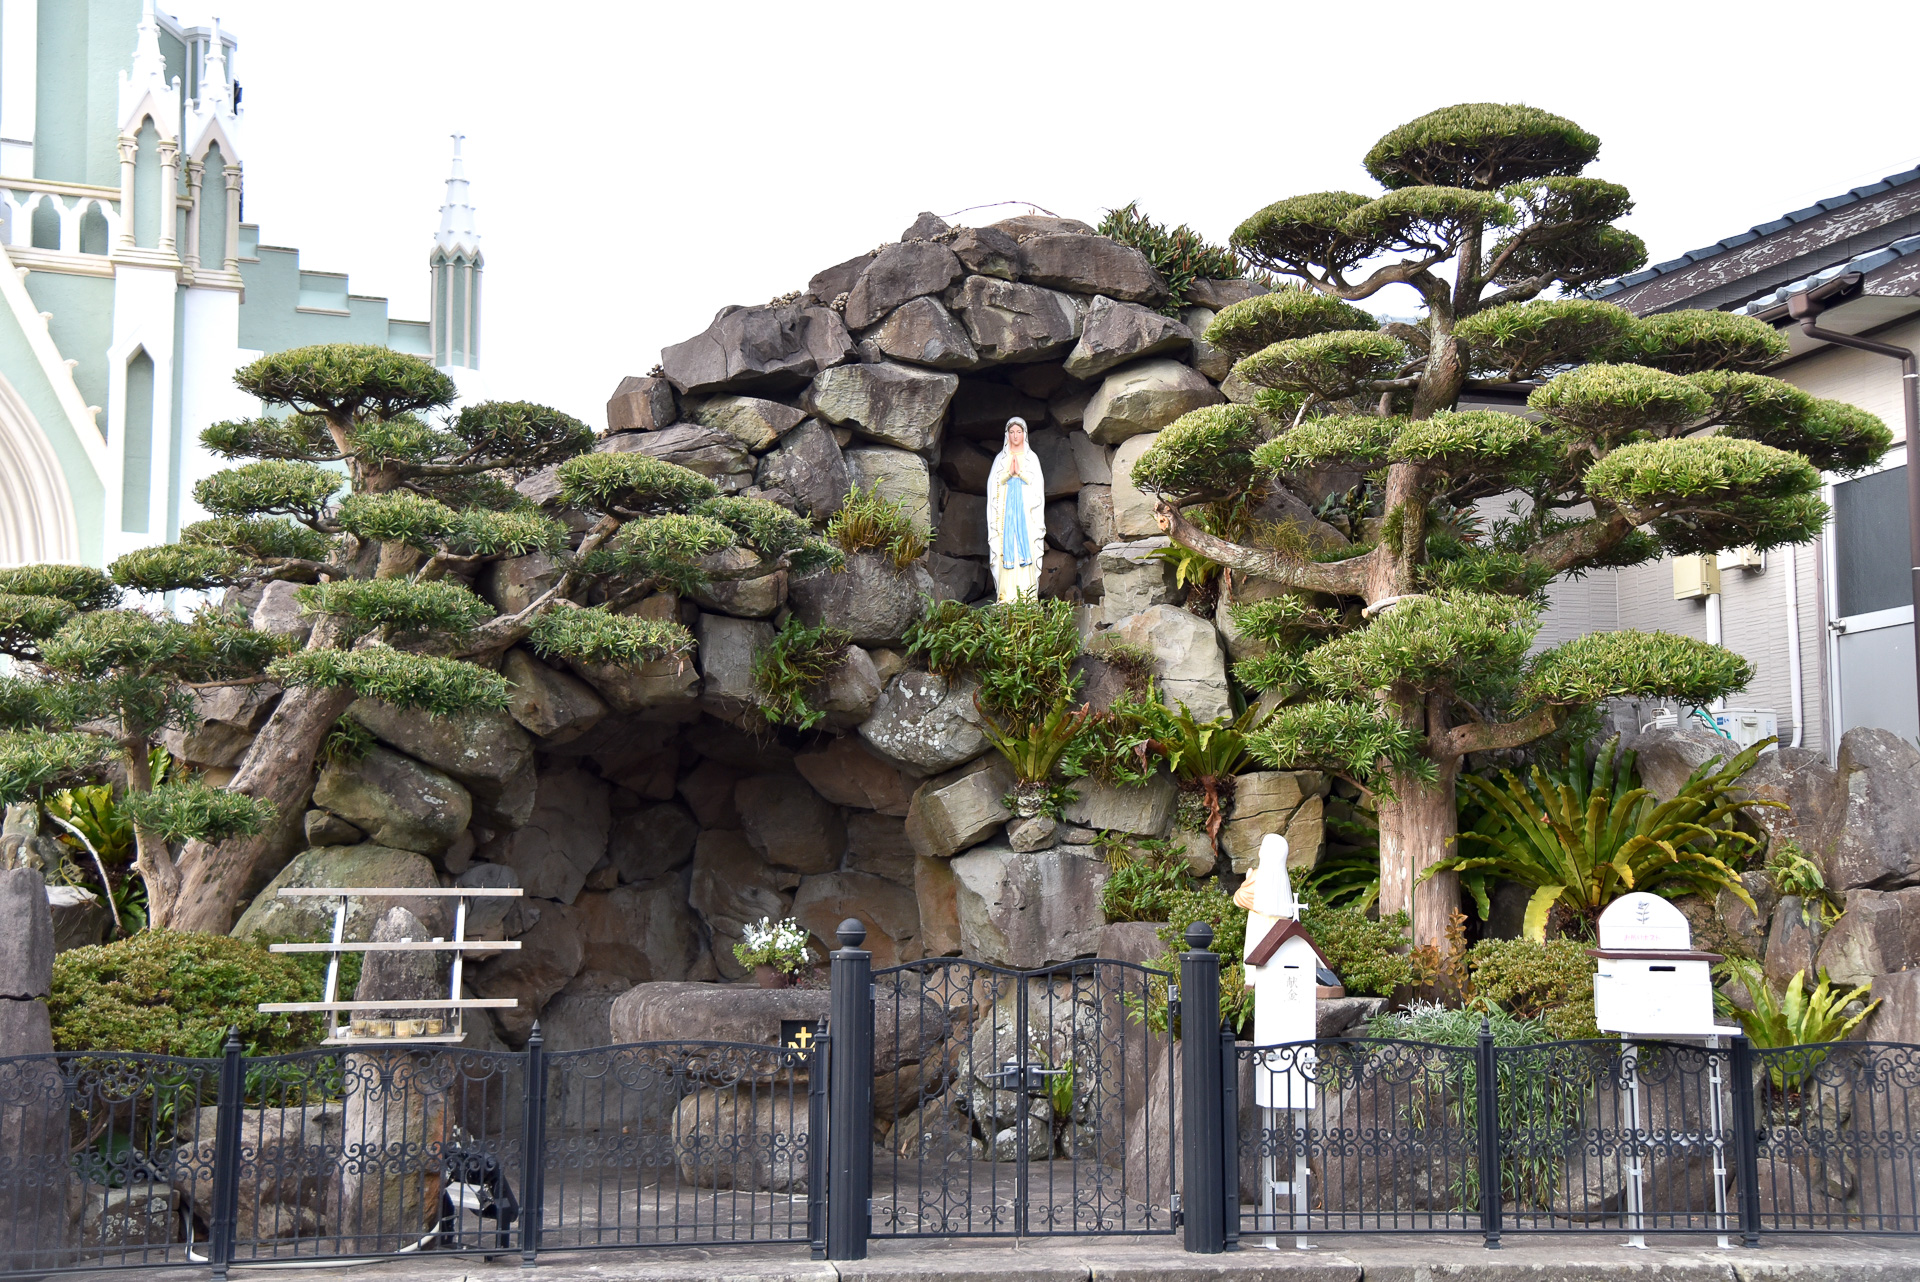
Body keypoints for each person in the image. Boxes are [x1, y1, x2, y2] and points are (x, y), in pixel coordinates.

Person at [985, 416, 1046, 602]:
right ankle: (1006, 596)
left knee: (1025, 547)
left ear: (1024, 434)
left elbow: (1037, 486)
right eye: (1012, 432)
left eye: (1019, 431)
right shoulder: (1000, 459)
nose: (1015, 435)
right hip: (1005, 513)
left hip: (1026, 513)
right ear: (1007, 435)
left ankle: (1027, 598)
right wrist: (1007, 475)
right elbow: (993, 486)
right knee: (1006, 545)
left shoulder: (1031, 458)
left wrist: (1019, 473)